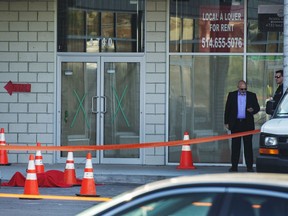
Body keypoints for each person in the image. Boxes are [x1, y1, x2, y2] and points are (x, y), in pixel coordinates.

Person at [224, 80, 260, 172]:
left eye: (245, 89)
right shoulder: (232, 95)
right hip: (235, 124)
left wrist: (252, 110)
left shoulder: (252, 95)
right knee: (235, 146)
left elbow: (257, 108)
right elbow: (227, 109)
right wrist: (226, 122)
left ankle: (249, 167)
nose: (243, 91)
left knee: (248, 146)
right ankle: (234, 166)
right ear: (238, 87)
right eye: (241, 89)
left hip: (247, 124)